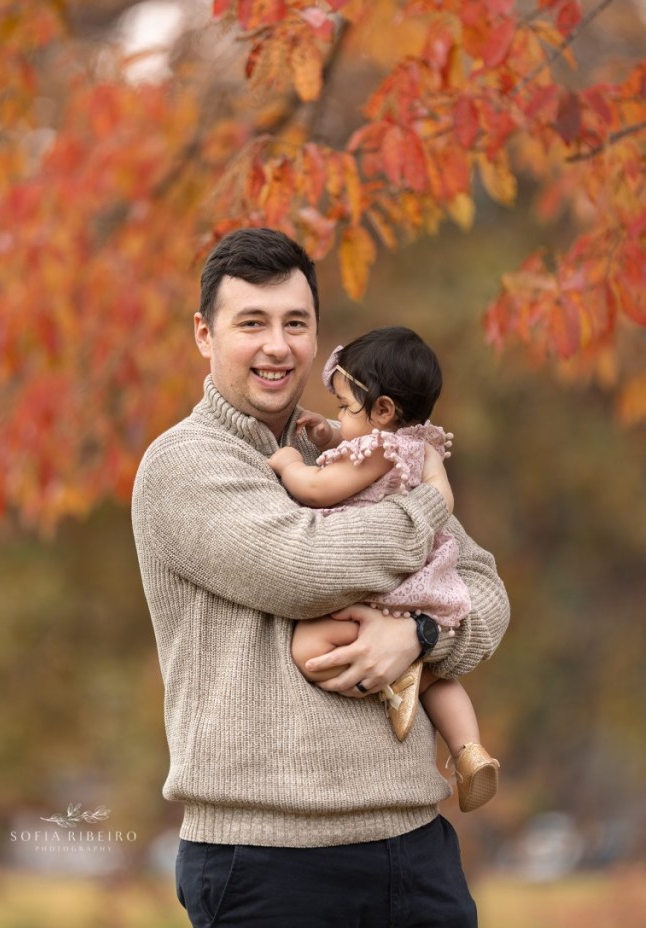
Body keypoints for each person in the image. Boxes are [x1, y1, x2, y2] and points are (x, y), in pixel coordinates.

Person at [132, 227, 510, 928]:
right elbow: (308, 569)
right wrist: (429, 502)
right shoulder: (184, 466)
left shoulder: (361, 453)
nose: (277, 344)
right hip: (270, 861)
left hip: (413, 844)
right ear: (204, 336)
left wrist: (419, 636)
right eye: (252, 322)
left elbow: (483, 592)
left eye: (295, 323)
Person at [267, 326, 500, 812]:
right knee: (438, 678)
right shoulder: (413, 445)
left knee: (307, 646)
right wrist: (330, 433)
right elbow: (358, 450)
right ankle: (468, 752)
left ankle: (396, 679)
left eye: (345, 408)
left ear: (384, 411)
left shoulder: (379, 450)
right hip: (424, 581)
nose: (338, 416)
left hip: (388, 579)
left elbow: (319, 489)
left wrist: (291, 464)